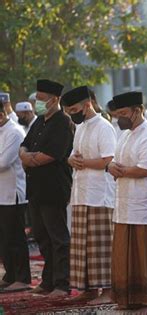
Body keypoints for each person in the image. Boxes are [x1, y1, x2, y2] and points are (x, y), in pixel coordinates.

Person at [107, 91, 147, 312]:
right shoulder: (125, 135)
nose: (119, 118)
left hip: (145, 205)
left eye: (123, 113)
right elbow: (114, 162)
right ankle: (126, 299)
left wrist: (119, 170)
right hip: (124, 203)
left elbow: (144, 169)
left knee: (144, 254)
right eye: (117, 114)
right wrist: (111, 167)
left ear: (137, 110)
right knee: (123, 253)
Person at [62, 86, 116, 304]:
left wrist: (82, 162)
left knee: (100, 247)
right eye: (68, 111)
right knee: (82, 246)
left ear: (87, 105)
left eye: (74, 109)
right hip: (81, 193)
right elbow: (73, 155)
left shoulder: (104, 127)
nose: (71, 114)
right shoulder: (81, 127)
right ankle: (89, 290)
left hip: (100, 196)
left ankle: (108, 291)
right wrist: (70, 160)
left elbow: (108, 160)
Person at [19, 79, 73, 296]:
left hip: (54, 188)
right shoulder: (39, 121)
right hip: (35, 188)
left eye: (42, 99)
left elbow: (50, 156)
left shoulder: (63, 122)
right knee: (41, 236)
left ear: (55, 100)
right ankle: (48, 280)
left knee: (58, 237)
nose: (39, 103)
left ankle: (63, 283)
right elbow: (24, 146)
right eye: (37, 99)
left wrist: (29, 158)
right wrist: (27, 156)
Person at [0, 101, 31, 293]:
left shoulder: (14, 132)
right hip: (1, 194)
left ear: (1, 115)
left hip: (13, 194)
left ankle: (22, 278)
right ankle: (10, 275)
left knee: (15, 238)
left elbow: (3, 162)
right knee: (3, 238)